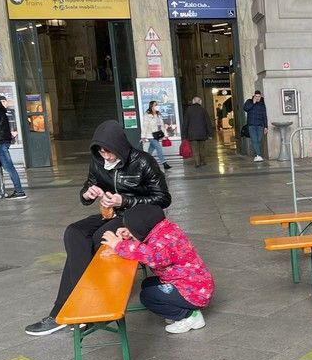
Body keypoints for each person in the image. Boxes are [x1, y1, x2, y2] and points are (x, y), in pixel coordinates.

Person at [24, 120, 172, 336]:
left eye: (110, 152)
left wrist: (124, 201)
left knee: (101, 237)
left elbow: (163, 199)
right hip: (109, 213)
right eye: (101, 151)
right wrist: (87, 194)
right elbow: (89, 185)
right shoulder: (98, 161)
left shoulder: (143, 162)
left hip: (137, 217)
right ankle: (84, 303)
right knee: (74, 233)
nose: (106, 156)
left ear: (120, 146)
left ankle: (67, 310)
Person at [101, 204, 214, 334]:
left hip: (194, 293)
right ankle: (178, 308)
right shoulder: (164, 230)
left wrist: (119, 245)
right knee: (147, 284)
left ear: (142, 228)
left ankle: (190, 316)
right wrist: (131, 236)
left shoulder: (163, 243)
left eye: (132, 230)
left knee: (147, 297)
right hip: (194, 283)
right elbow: (148, 246)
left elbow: (152, 257)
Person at [140, 101, 171, 170]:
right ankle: (164, 163)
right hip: (150, 135)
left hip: (157, 135)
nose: (157, 106)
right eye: (155, 105)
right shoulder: (147, 115)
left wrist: (165, 134)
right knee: (158, 148)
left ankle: (144, 162)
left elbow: (162, 125)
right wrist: (143, 136)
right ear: (151, 106)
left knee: (150, 151)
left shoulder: (158, 114)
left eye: (157, 105)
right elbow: (145, 126)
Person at [183, 96, 214, 167]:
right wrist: (210, 134)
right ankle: (203, 161)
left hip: (192, 134)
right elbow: (208, 123)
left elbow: (185, 123)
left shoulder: (188, 110)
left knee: (195, 149)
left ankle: (197, 162)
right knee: (202, 148)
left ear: (193, 102)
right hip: (202, 133)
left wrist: (184, 135)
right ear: (200, 102)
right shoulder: (203, 110)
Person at [243, 91, 268, 162]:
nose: (257, 98)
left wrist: (266, 127)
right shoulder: (249, 101)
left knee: (258, 140)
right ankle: (258, 155)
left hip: (260, 125)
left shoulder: (262, 104)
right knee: (254, 140)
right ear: (254, 96)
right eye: (256, 96)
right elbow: (245, 109)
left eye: (259, 96)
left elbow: (264, 116)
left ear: (260, 96)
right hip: (251, 125)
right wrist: (252, 103)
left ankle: (257, 155)